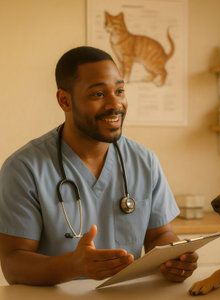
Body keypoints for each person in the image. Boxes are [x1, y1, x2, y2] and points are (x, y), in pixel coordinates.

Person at [0, 46, 198, 285]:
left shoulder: (144, 161)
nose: (115, 104)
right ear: (65, 100)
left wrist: (174, 257)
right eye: (98, 94)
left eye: (120, 91)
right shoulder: (25, 169)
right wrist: (72, 266)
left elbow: (159, 233)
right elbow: (13, 263)